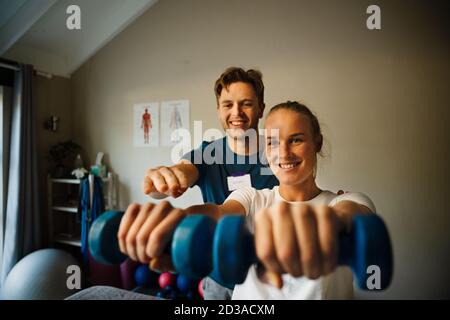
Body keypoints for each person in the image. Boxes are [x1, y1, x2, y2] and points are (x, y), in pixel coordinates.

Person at [118, 101, 376, 299]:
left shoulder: (346, 200)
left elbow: (350, 216)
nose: (283, 152)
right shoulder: (252, 198)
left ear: (317, 143)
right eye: (273, 142)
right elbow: (217, 213)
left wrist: (326, 225)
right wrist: (175, 223)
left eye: (296, 140)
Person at [141, 67, 279, 299]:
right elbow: (183, 171)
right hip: (216, 279)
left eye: (246, 103)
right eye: (228, 105)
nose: (237, 112)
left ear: (260, 108)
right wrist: (163, 180)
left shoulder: (279, 155)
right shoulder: (207, 154)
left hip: (264, 281)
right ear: (218, 110)